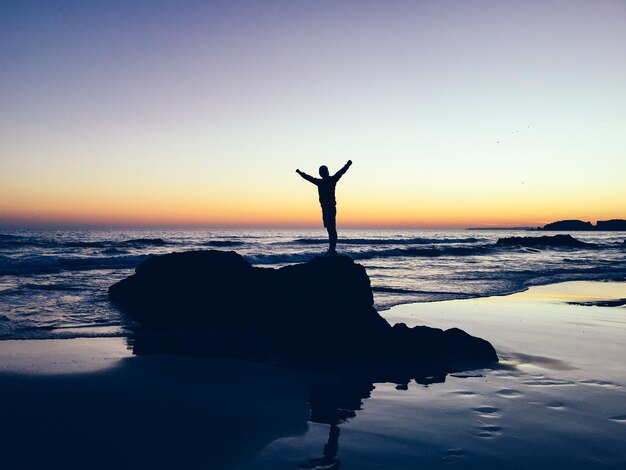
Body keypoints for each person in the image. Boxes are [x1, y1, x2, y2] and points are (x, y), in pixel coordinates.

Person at [296, 160, 352, 255]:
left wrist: (347, 165)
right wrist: (300, 173)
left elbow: (341, 172)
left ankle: (332, 250)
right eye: (321, 172)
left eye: (323, 172)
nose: (321, 173)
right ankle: (331, 249)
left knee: (332, 229)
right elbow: (309, 178)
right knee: (330, 229)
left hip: (330, 208)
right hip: (326, 209)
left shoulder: (330, 180)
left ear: (326, 172)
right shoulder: (321, 182)